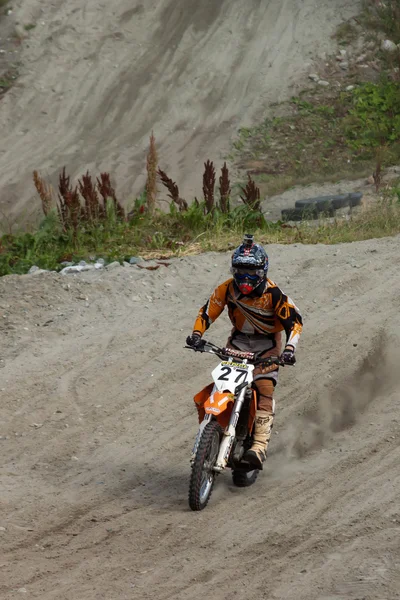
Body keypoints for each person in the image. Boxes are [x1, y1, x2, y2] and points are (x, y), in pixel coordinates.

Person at [186, 234, 303, 469]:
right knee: (222, 385)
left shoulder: (274, 295)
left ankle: (259, 445)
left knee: (265, 387)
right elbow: (207, 312)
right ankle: (212, 431)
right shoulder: (227, 289)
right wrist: (197, 335)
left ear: (263, 271)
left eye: (251, 272)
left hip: (267, 344)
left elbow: (295, 323)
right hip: (238, 342)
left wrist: (289, 349)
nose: (245, 278)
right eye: (240, 271)